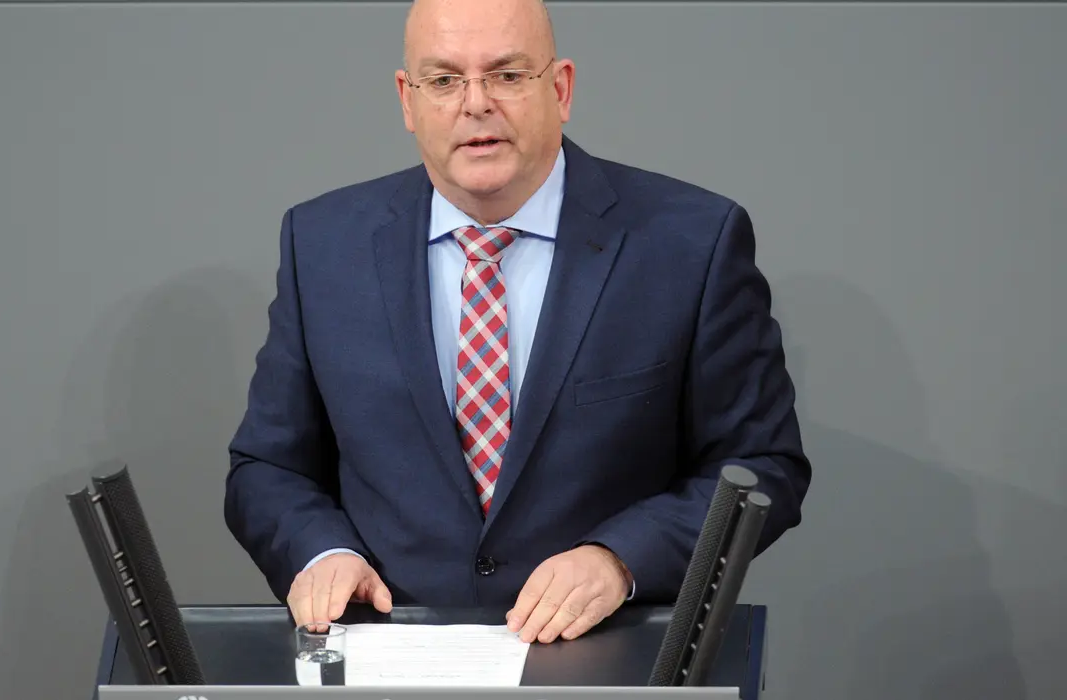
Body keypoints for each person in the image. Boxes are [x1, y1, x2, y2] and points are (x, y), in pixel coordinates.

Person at [225, 0, 811, 645]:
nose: (476, 104)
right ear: (407, 100)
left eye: (506, 74)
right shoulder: (322, 244)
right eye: (444, 80)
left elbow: (761, 466)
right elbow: (267, 466)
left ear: (559, 89)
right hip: (387, 650)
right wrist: (320, 553)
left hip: (607, 653)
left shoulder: (690, 241)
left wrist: (621, 560)